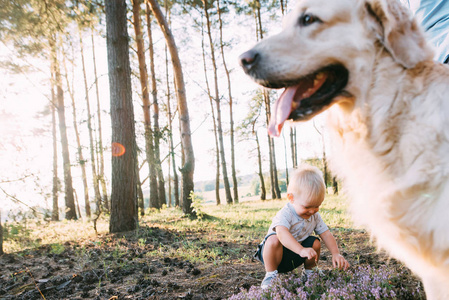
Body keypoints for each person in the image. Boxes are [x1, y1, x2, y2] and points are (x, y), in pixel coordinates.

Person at [254, 164, 350, 289]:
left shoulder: (314, 216)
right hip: (274, 255)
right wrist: (301, 250)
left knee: (315, 243)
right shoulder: (286, 213)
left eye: (317, 206)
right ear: (291, 198)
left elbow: (326, 233)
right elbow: (282, 234)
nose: (312, 211)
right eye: (307, 207)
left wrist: (336, 253)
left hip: (295, 255)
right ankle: (271, 275)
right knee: (274, 239)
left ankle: (310, 273)